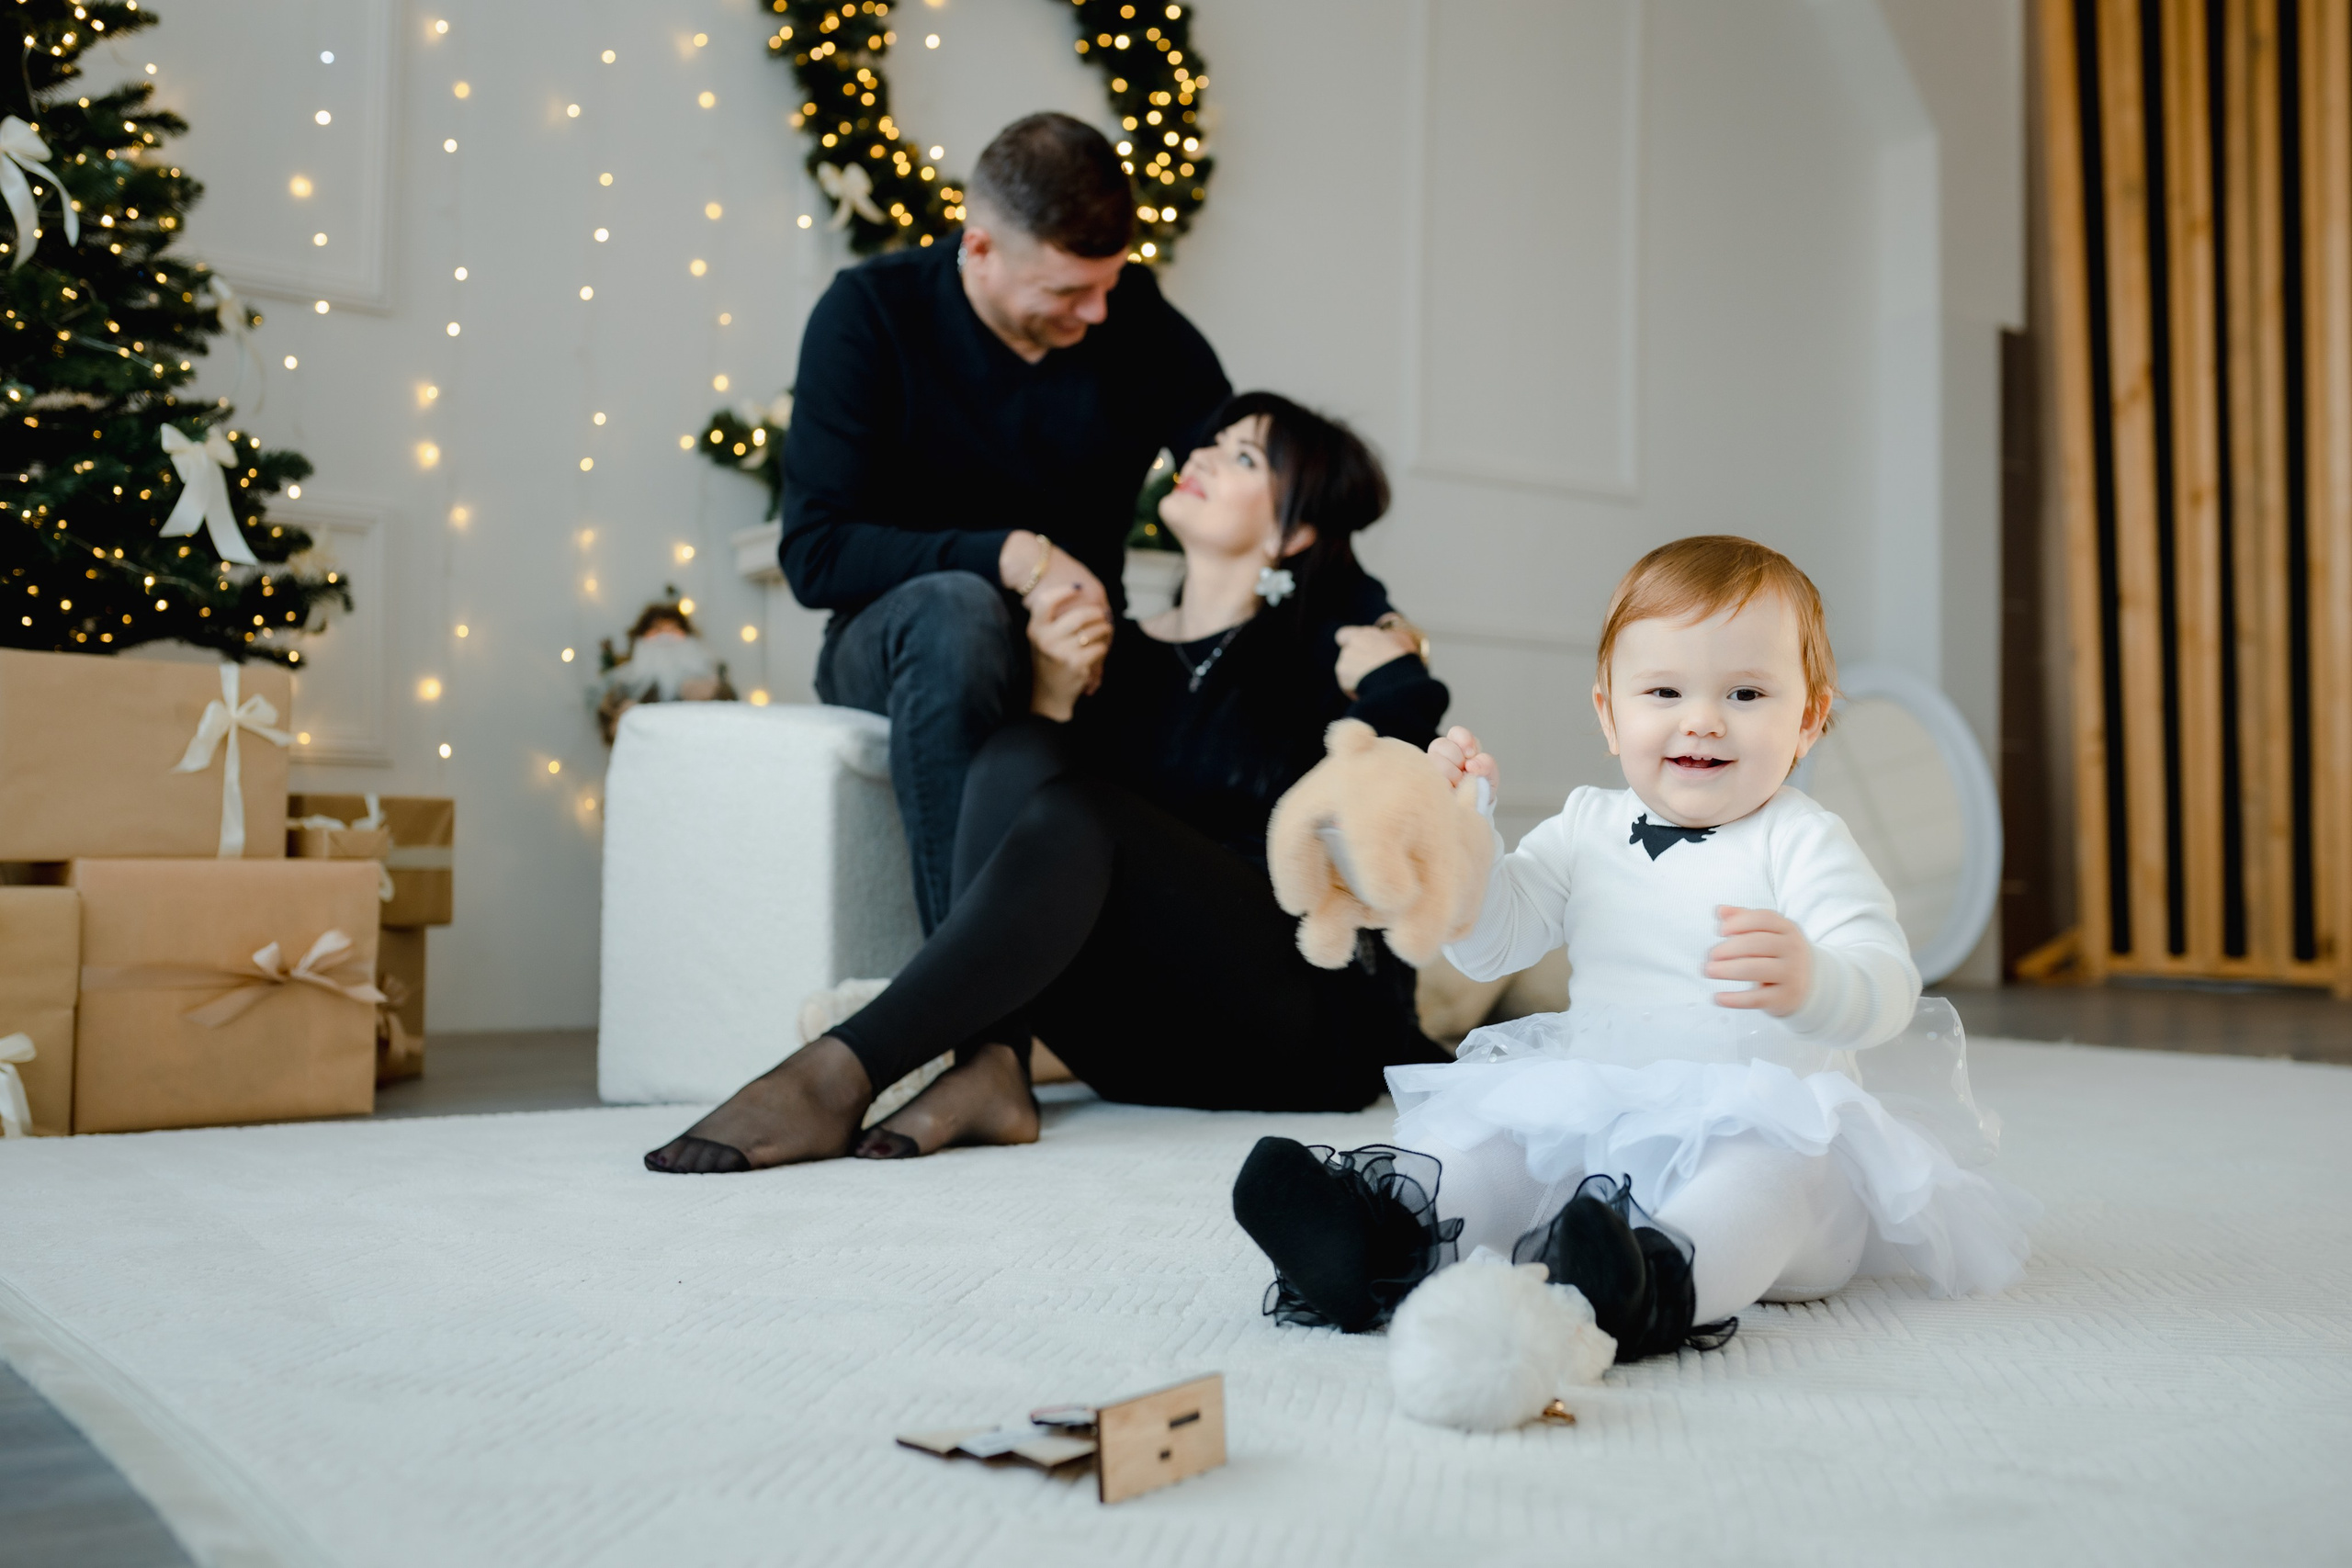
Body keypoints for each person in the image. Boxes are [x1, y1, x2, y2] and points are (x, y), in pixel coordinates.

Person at [1229, 536, 2035, 1352]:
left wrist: (1819, 983)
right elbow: (1490, 945)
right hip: (1601, 1110)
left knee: (1764, 1186)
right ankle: (1376, 1238)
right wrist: (1462, 836)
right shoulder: (1585, 825)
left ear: (1810, 719)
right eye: (1664, 690)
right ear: (1611, 715)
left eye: (1747, 692)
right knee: (1490, 1143)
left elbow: (1888, 981)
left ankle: (1652, 1285)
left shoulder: (1803, 839)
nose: (1702, 719)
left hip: (1764, 1121)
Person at [646, 394, 1448, 1174]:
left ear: (1291, 528)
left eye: (1243, 457)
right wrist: (1055, 696)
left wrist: (1396, 681)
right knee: (1020, 744)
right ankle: (993, 1061)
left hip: (1301, 1029)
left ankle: (840, 1068)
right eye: (1212, 440)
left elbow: (1397, 793)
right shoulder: (1115, 653)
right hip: (1143, 1045)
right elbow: (1047, 846)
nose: (1200, 454)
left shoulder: (1326, 645)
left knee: (1082, 810)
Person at [782, 111, 1234, 933]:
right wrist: (1014, 557)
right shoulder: (869, 315)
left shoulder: (1130, 316)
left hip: (1078, 645)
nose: (1098, 314)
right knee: (961, 610)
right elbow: (816, 555)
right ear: (981, 248)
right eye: (1068, 292)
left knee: (1202, 673)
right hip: (901, 641)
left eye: (1109, 284)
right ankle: (976, 1025)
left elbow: (1248, 465)